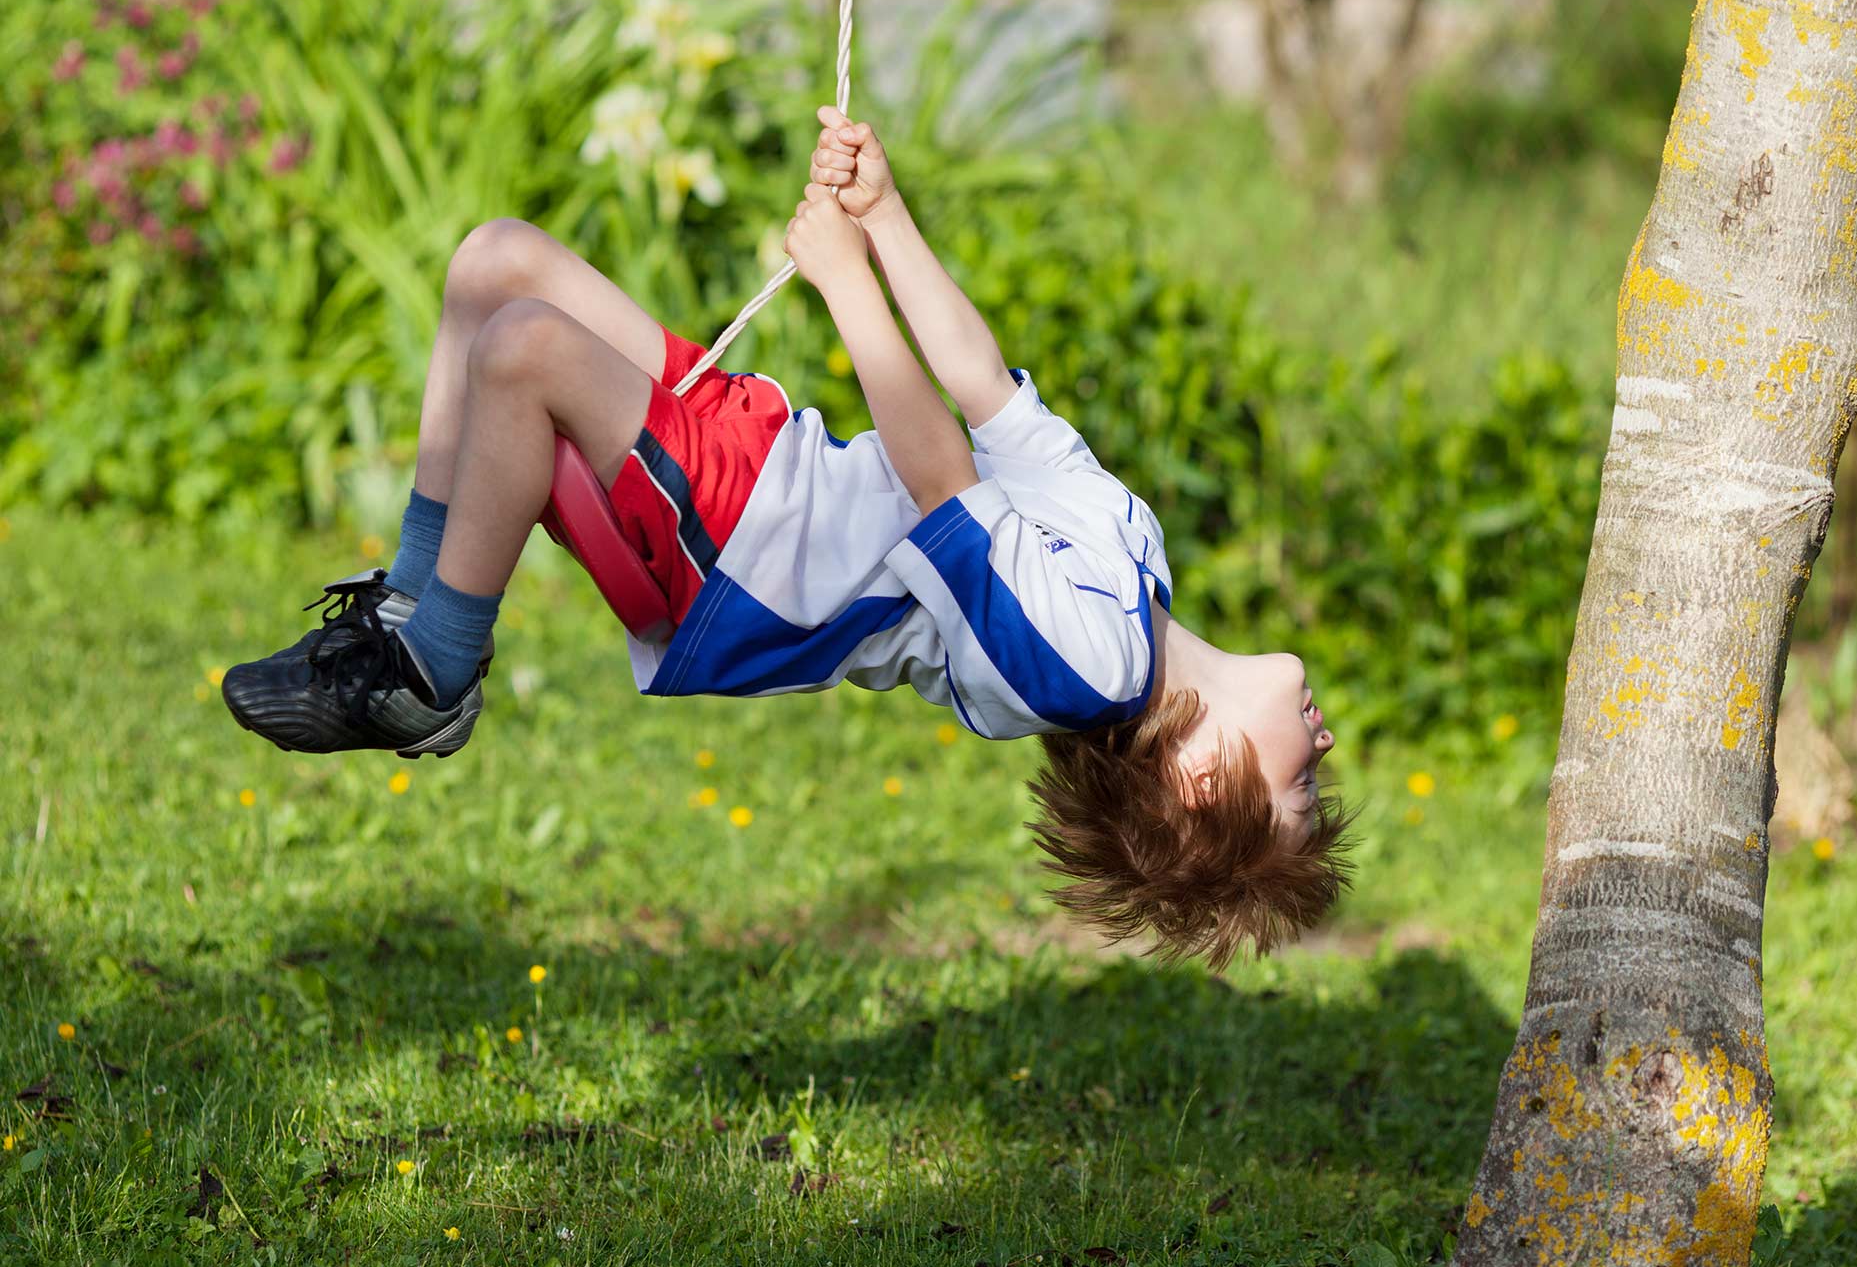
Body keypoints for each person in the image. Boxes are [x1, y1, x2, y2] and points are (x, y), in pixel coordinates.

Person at [222, 107, 1350, 965]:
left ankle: (433, 668)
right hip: (773, 468)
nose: (1326, 756)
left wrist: (850, 289)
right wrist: (886, 215)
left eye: (1300, 797)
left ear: (1204, 780)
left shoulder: (1078, 672)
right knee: (495, 262)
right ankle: (407, 609)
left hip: (747, 556)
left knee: (520, 345)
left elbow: (941, 481)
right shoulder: (1133, 565)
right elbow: (984, 396)